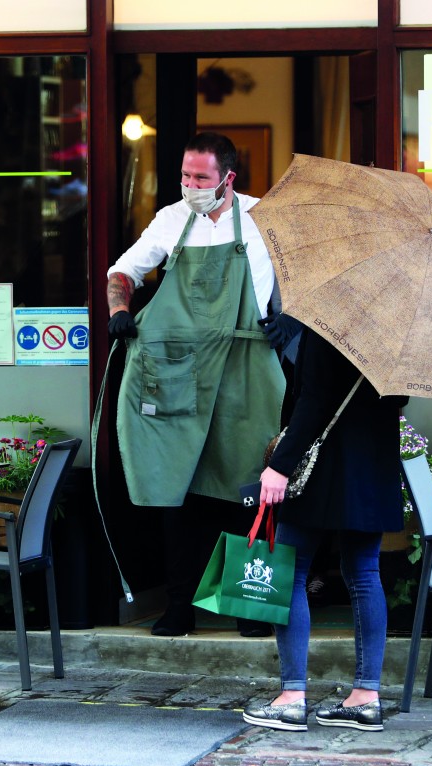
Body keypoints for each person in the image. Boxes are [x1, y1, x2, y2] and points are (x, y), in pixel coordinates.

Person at [107, 132, 295, 637]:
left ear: (228, 178)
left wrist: (291, 321)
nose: (190, 185)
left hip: (246, 365)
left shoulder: (265, 219)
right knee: (179, 489)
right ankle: (178, 607)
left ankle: (249, 607)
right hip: (179, 371)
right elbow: (123, 272)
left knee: (248, 490)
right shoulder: (171, 219)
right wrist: (120, 311)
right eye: (185, 176)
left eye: (201, 178)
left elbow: (304, 280)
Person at [242, 328, 406, 732]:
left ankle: (292, 697)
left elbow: (312, 402)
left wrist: (279, 465)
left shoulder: (327, 325)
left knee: (290, 573)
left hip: (322, 472)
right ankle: (366, 698)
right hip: (372, 469)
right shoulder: (396, 333)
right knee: (365, 574)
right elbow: (397, 400)